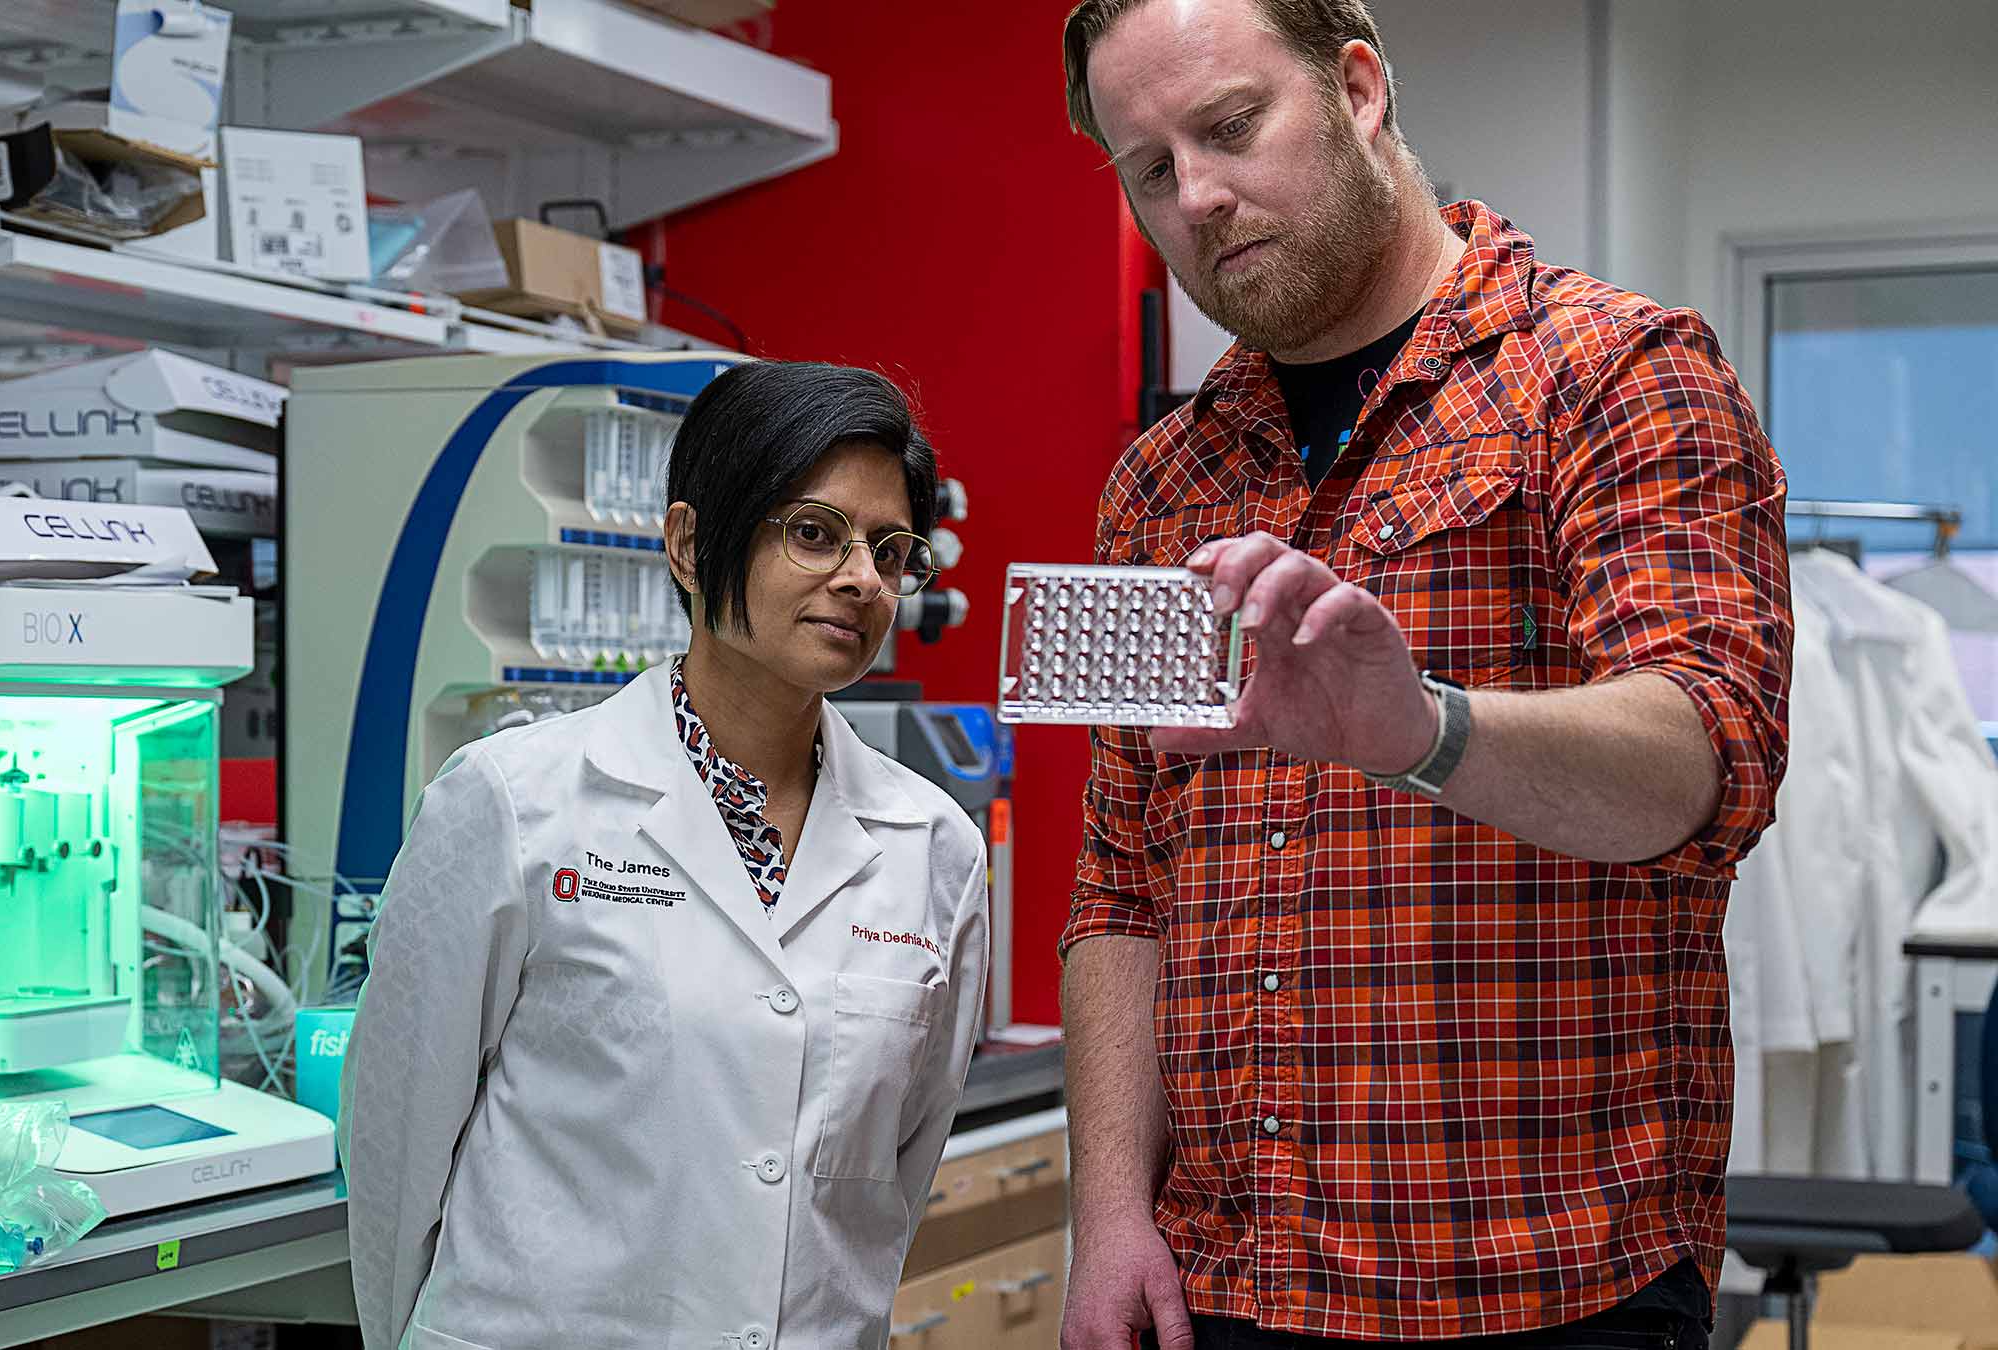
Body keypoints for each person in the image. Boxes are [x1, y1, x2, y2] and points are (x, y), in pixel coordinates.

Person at [1053, 2, 1794, 1348]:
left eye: (1228, 128)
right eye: (1151, 170)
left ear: (1359, 87)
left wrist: (1424, 729)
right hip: (1230, 1287)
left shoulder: (1612, 372)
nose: (1200, 196)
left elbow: (1704, 759)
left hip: (1542, 1284)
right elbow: (1124, 877)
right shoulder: (1164, 481)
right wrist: (1107, 1211)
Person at [339, 360, 991, 1349]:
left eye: (890, 550)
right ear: (689, 545)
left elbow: (895, 1174)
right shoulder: (516, 801)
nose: (862, 580)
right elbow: (397, 1145)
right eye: (815, 533)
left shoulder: (935, 850)